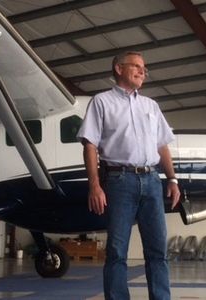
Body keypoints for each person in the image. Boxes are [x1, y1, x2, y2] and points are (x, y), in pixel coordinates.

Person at [77, 51, 181, 300]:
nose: (141, 71)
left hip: (153, 181)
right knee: (116, 251)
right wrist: (94, 186)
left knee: (158, 250)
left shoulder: (151, 106)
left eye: (144, 68)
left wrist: (173, 179)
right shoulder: (101, 102)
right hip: (119, 181)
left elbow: (162, 145)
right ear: (118, 68)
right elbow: (90, 144)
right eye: (135, 66)